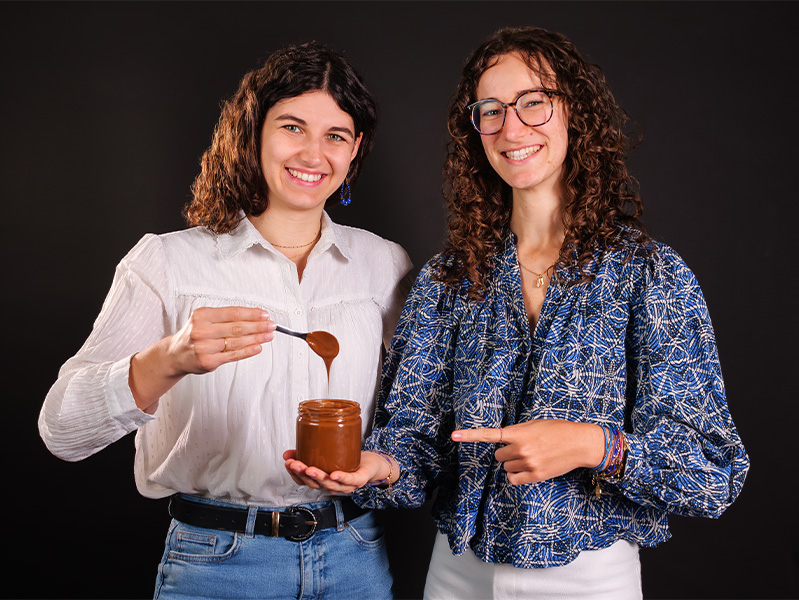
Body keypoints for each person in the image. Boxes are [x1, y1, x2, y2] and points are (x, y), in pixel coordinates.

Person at [284, 27, 749, 599]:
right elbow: (414, 443)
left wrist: (593, 445)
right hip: (457, 574)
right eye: (492, 110)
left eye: (534, 102)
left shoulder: (651, 276)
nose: (512, 128)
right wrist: (376, 468)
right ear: (474, 130)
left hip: (591, 577)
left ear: (573, 114)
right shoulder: (447, 280)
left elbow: (713, 472)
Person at [39, 41, 412, 599]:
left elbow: (426, 412)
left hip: (354, 554)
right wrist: (168, 360)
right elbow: (63, 431)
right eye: (292, 127)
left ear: (354, 150)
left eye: (335, 136)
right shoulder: (167, 262)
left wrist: (385, 466)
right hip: (219, 562)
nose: (314, 154)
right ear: (254, 132)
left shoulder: (384, 264)